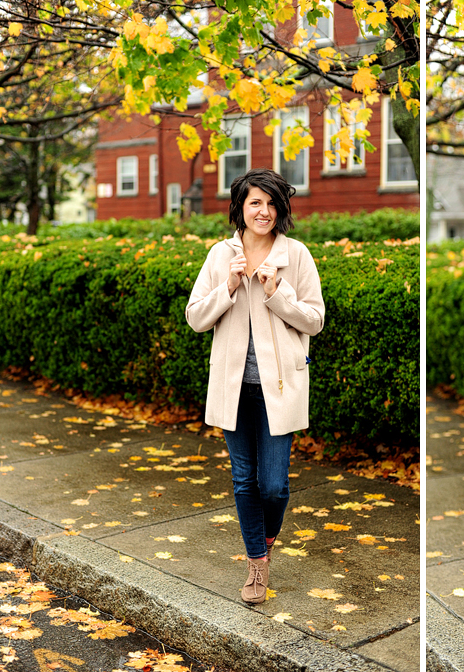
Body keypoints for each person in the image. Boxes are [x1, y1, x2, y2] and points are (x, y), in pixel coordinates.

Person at [185, 168, 324, 604]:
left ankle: (264, 541)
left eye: (271, 203)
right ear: (240, 209)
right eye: (255, 203)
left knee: (274, 486)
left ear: (281, 209)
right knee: (245, 480)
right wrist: (228, 285)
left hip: (277, 387)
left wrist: (277, 291)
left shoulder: (296, 255)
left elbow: (315, 321)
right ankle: (257, 565)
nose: (263, 211)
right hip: (234, 388)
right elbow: (195, 318)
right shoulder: (219, 255)